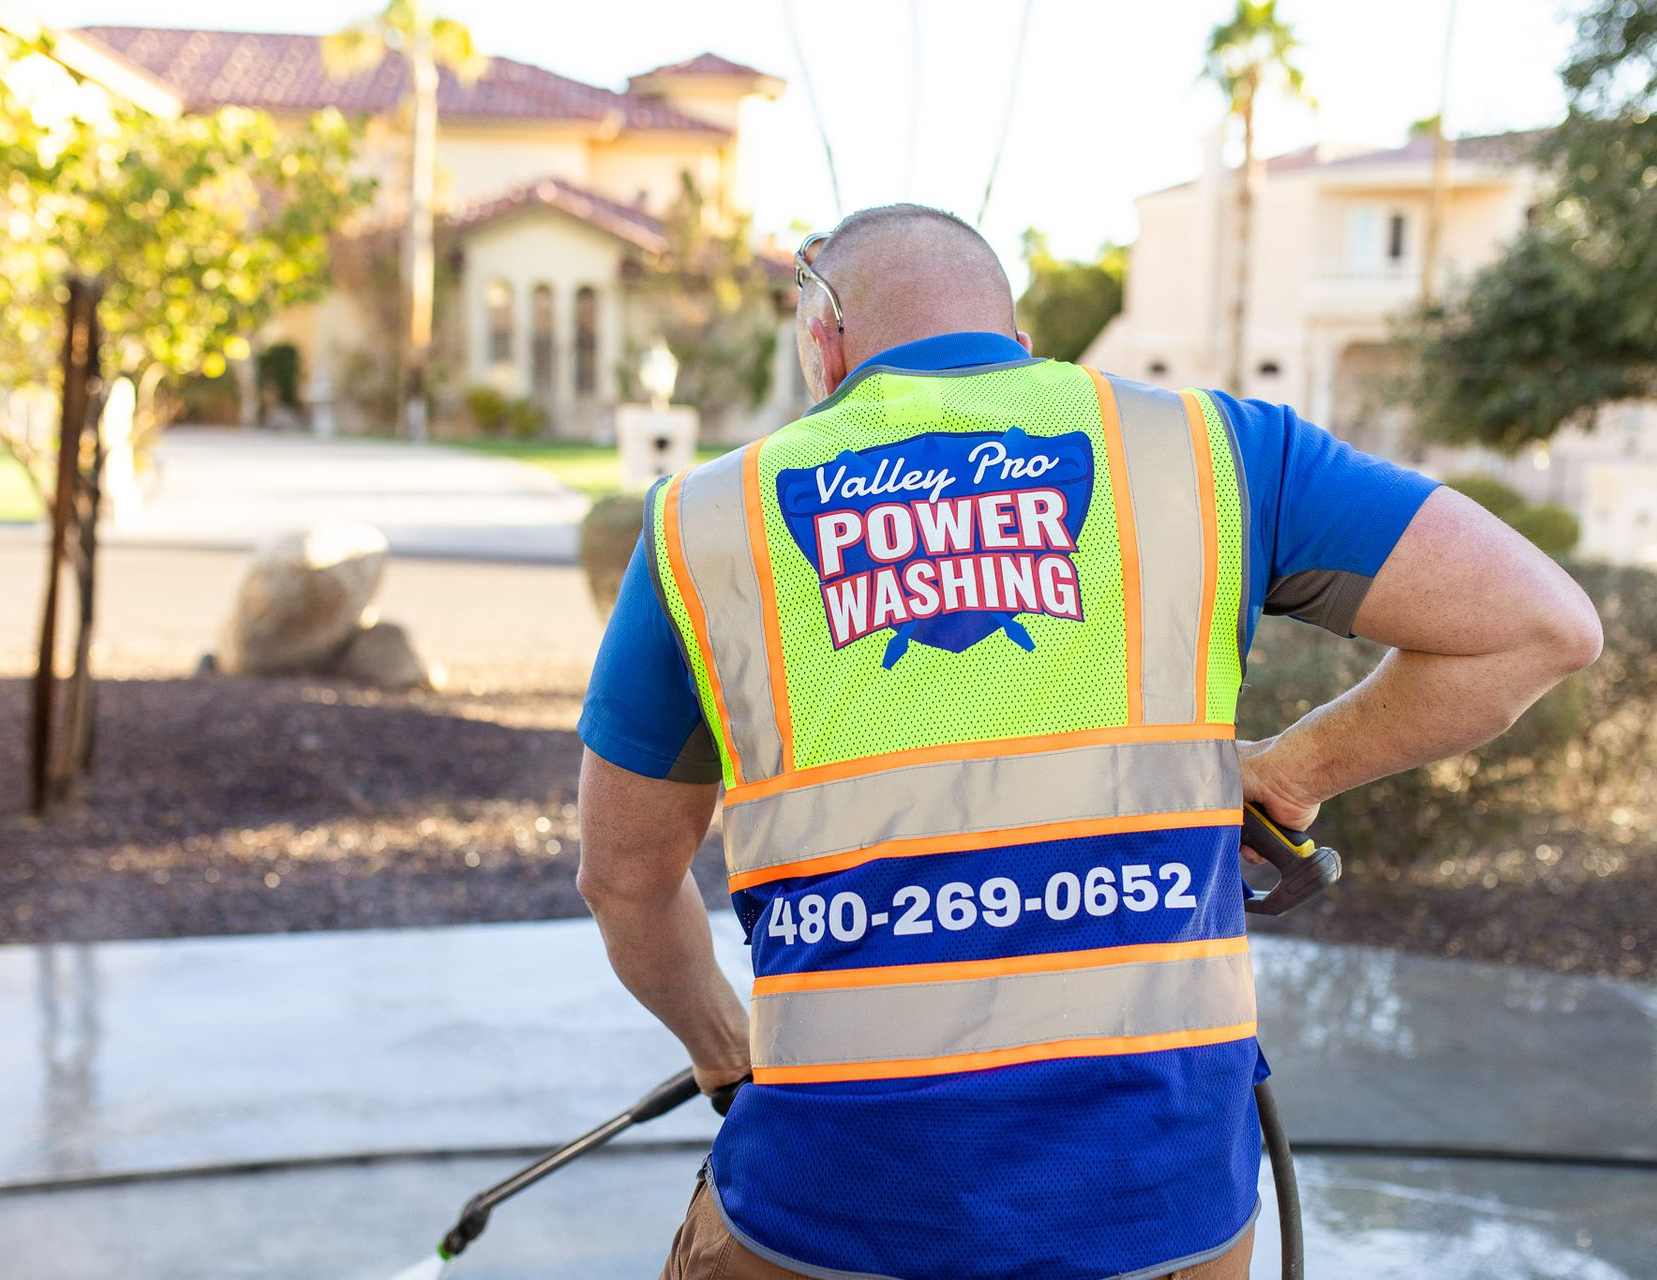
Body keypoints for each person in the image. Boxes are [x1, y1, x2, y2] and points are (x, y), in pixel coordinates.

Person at [574, 204, 1601, 1280]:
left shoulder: (704, 522)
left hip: (836, 1209)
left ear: (823, 336)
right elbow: (1540, 626)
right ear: (1017, 349)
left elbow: (625, 878)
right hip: (1162, 1210)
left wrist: (726, 1059)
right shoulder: (1210, 453)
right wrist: (1290, 774)